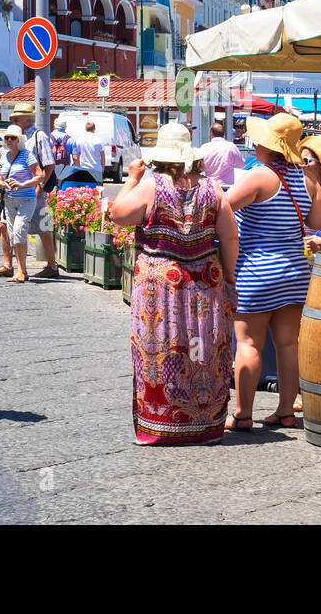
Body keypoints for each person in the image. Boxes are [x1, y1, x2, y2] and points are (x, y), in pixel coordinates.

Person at [109, 123, 239, 445]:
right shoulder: (213, 189)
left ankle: (160, 425)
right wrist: (229, 277)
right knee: (204, 350)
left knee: (161, 349)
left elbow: (118, 215)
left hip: (158, 286)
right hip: (205, 283)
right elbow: (230, 236)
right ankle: (205, 426)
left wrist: (131, 179)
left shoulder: (152, 187)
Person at [224, 113, 321, 431]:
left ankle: (243, 414)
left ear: (268, 145)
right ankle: (285, 411)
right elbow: (318, 224)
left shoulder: (258, 177)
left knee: (249, 343)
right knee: (288, 344)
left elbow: (222, 208)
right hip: (295, 272)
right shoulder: (307, 180)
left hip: (256, 270)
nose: (254, 144)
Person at [0, 125, 45, 283]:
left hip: (26, 199)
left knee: (19, 232)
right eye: (7, 137)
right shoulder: (4, 156)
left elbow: (39, 176)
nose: (9, 140)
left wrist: (22, 184)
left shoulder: (28, 156)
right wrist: (3, 184)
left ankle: (22, 271)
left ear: (19, 140)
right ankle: (21, 271)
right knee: (13, 235)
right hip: (9, 200)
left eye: (13, 138)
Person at [9, 102, 58, 278]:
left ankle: (52, 266)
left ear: (27, 119)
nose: (14, 119)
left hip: (36, 190)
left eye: (17, 117)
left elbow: (49, 164)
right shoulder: (19, 136)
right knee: (18, 227)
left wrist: (41, 187)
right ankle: (14, 265)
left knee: (43, 227)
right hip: (20, 192)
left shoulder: (39, 136)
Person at [199, 122, 245, 187]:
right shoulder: (231, 146)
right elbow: (241, 164)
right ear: (223, 134)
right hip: (226, 187)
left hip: (210, 187)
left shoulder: (204, 147)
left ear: (211, 134)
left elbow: (200, 168)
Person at [66, 119, 106, 186]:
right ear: (94, 129)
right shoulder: (98, 140)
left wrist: (77, 167)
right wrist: (103, 166)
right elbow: (102, 155)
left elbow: (77, 155)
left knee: (85, 190)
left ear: (86, 129)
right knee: (98, 190)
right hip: (96, 168)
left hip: (84, 168)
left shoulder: (80, 140)